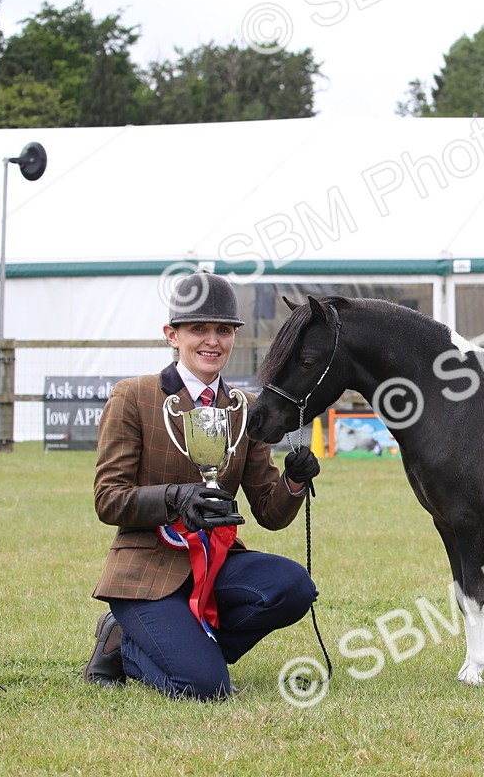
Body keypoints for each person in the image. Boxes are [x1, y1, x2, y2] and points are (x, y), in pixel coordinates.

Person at [83, 271, 321, 700]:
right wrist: (176, 498)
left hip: (217, 562)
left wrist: (294, 480)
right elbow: (108, 500)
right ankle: (125, 645)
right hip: (148, 569)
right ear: (172, 335)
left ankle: (192, 648)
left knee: (293, 586)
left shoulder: (246, 408)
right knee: (205, 688)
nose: (212, 341)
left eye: (224, 331)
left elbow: (269, 512)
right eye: (198, 330)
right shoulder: (132, 397)